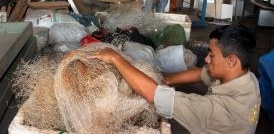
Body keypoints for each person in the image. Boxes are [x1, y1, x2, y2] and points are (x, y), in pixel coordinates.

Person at [89, 25, 261, 134]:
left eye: (211, 54)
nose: (207, 59)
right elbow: (199, 73)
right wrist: (166, 81)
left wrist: (116, 58)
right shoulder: (248, 79)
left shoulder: (215, 110)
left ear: (232, 61)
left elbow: (153, 95)